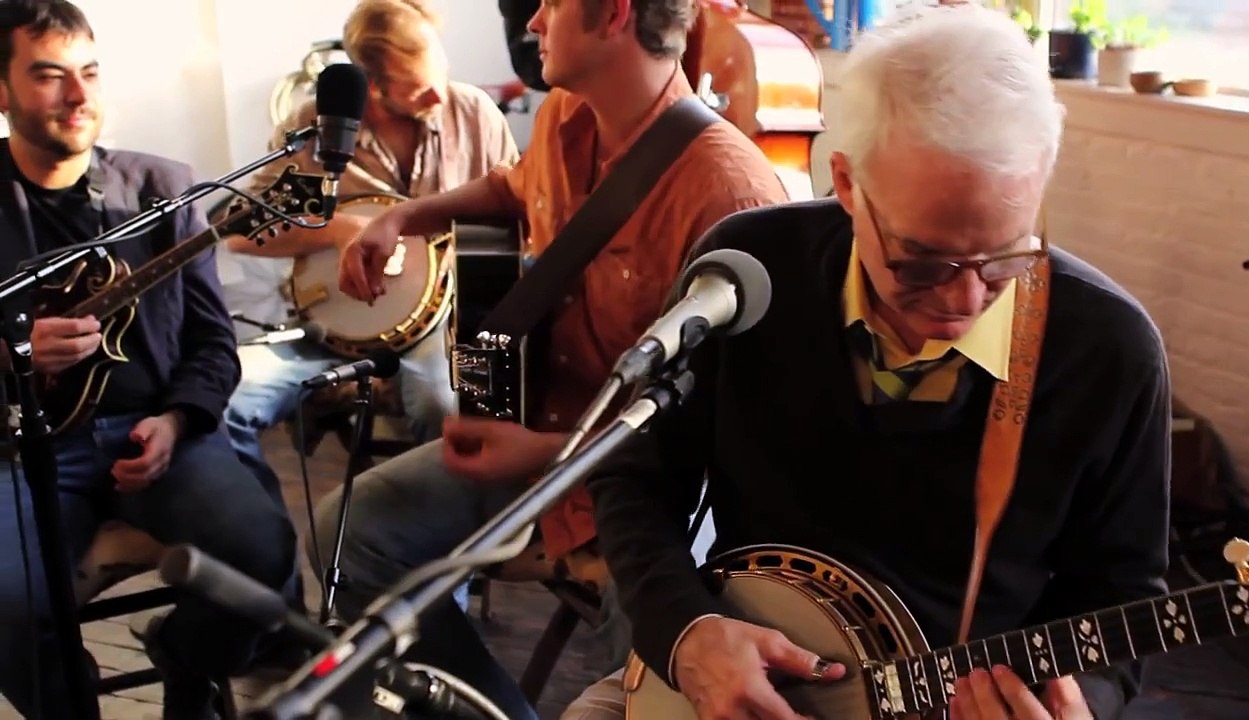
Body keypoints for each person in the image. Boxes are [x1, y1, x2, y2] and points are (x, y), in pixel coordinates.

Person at [565, 5, 1171, 720]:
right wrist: (687, 633)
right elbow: (634, 478)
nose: (964, 298)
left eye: (1005, 256)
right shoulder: (752, 273)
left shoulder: (1109, 351)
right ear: (848, 185)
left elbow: (1126, 597)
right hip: (725, 685)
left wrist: (1081, 703)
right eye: (922, 262)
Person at [312, 0, 790, 718]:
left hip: (645, 508)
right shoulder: (568, 116)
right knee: (348, 539)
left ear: (614, 15)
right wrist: (405, 216)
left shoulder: (728, 194)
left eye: (552, 5)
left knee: (660, 691)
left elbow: (728, 441)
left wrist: (541, 451)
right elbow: (513, 189)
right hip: (539, 454)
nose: (532, 21)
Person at [0, 1, 296, 718]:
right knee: (5, 604)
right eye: (48, 76)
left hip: (158, 438)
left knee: (265, 556)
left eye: (90, 73)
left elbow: (212, 343)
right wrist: (13, 351)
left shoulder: (164, 190)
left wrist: (176, 419)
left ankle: (186, 660)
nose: (79, 96)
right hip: (19, 452)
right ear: (1, 90)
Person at [220, 0, 520, 510]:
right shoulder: (316, 128)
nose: (438, 93)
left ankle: (440, 569)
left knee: (445, 403)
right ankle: (264, 557)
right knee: (229, 399)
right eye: (419, 86)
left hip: (437, 328)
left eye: (440, 74)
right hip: (331, 329)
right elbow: (238, 229)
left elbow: (519, 215)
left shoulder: (472, 114)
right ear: (373, 86)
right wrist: (340, 230)